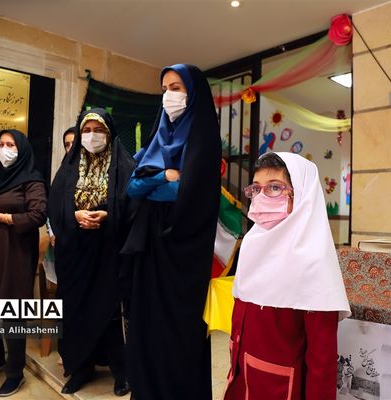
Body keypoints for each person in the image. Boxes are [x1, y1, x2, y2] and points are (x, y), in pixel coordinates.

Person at [122, 64, 221, 400]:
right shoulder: (157, 136)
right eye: (165, 89)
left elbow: (192, 193)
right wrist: (163, 177)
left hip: (184, 247)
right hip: (150, 245)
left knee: (178, 330)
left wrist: (156, 187)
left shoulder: (204, 137)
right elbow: (132, 188)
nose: (168, 96)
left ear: (193, 93)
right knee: (147, 323)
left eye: (176, 87)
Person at [224, 152, 351, 400]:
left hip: (281, 389)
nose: (261, 197)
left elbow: (322, 360)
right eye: (256, 189)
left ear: (302, 195)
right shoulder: (251, 243)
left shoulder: (314, 261)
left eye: (274, 187)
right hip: (242, 380)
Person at [47, 108, 134, 396]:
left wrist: (107, 215)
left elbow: (134, 206)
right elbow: (55, 206)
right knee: (75, 311)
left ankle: (121, 372)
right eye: (86, 130)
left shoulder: (124, 166)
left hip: (109, 252)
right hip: (75, 254)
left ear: (109, 134)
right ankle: (80, 368)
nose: (91, 135)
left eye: (98, 130)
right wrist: (74, 216)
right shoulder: (69, 166)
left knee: (110, 312)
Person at [0, 129, 47, 397]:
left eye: (10, 144)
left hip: (16, 255)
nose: (4, 149)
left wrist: (3, 218)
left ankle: (15, 372)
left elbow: (38, 214)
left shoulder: (32, 180)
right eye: (1, 144)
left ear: (21, 149)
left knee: (13, 312)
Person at [44, 126, 77, 284]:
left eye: (74, 143)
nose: (70, 148)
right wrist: (52, 232)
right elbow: (52, 207)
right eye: (67, 145)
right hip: (63, 242)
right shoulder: (62, 174)